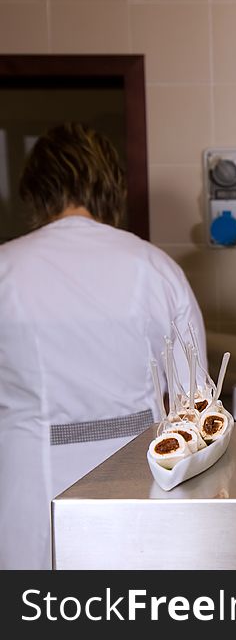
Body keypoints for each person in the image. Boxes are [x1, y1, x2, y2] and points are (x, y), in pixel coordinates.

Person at [0, 123, 205, 569]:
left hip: (25, 500)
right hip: (141, 492)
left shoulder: (6, 269)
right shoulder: (156, 269)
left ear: (36, 190)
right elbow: (196, 409)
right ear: (111, 187)